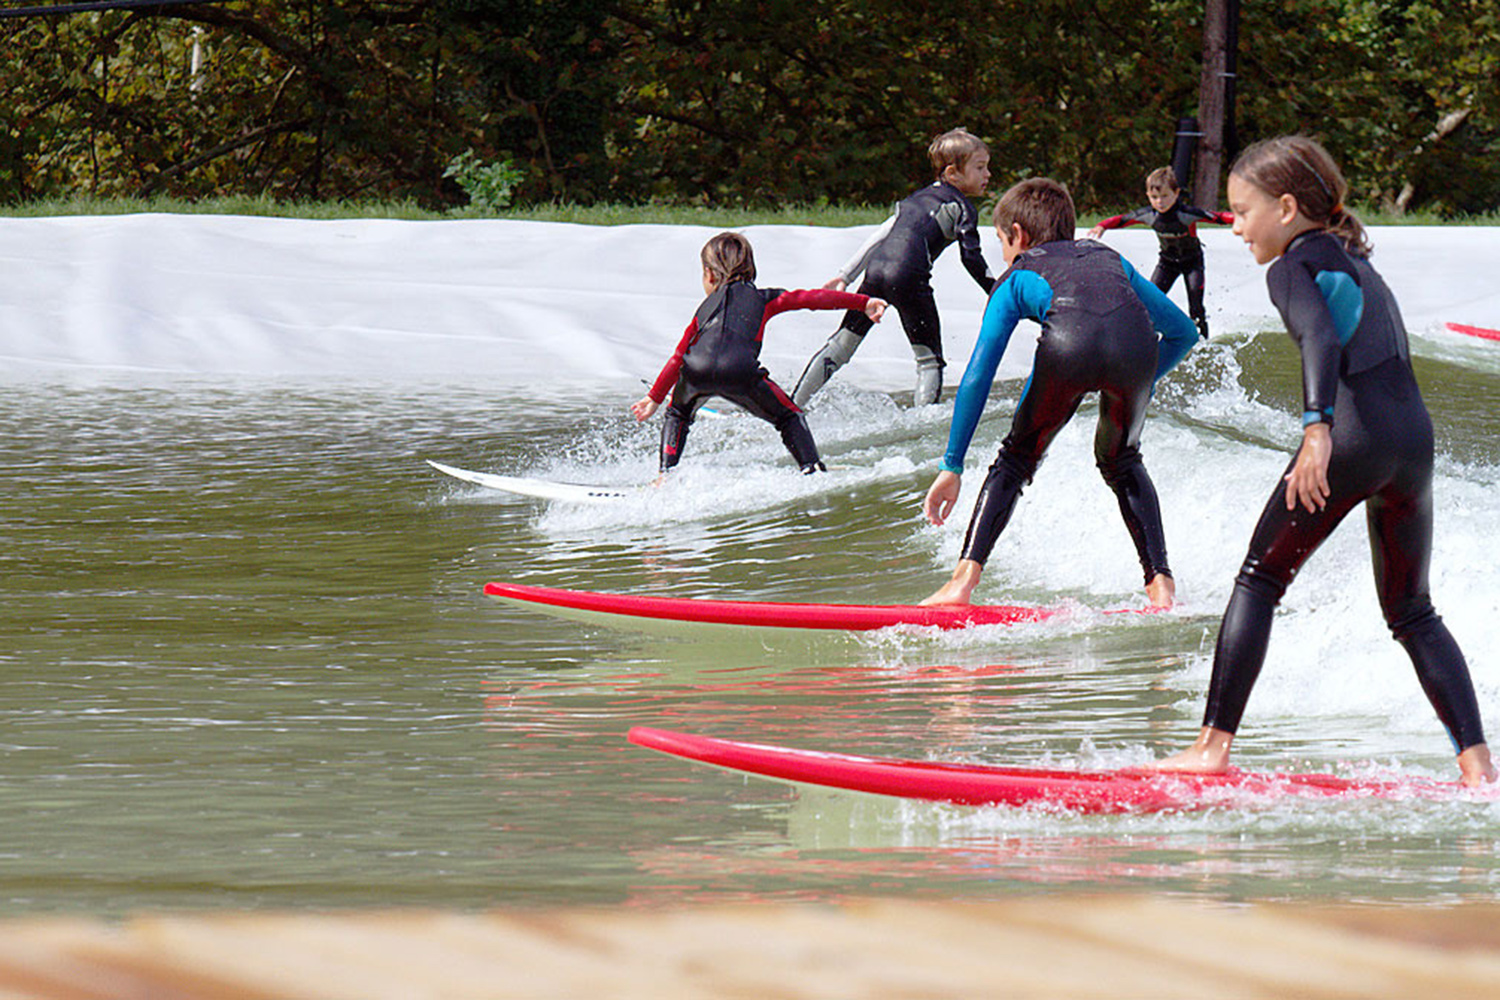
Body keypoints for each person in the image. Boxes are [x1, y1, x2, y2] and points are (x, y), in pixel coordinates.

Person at [1154, 136, 1494, 786]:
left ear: (1285, 208)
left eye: (1241, 211)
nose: (1235, 227)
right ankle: (1479, 768)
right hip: (1412, 444)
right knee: (1412, 609)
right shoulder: (1358, 260)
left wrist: (1317, 429)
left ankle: (1210, 749)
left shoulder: (1290, 265)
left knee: (1259, 578)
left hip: (1355, 436)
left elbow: (1318, 334)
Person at [921, 177, 1197, 609]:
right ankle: (1161, 585)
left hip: (1066, 349)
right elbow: (1182, 332)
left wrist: (952, 464)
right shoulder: (1108, 256)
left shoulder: (1017, 275)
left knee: (1014, 461)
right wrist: (1139, 383)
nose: (1004, 253)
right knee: (1122, 461)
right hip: (1137, 349)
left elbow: (979, 373)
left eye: (1000, 241)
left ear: (1017, 235)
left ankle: (961, 583)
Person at [632, 232, 887, 475]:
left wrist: (655, 397)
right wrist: (863, 302)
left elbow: (678, 357)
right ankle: (811, 468)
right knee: (790, 416)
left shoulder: (702, 311)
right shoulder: (764, 298)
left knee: (677, 414)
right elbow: (812, 299)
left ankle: (665, 474)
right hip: (739, 372)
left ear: (709, 275)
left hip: (695, 370)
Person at [792, 128, 995, 408]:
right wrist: (995, 290)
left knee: (841, 346)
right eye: (980, 167)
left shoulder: (913, 200)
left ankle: (792, 406)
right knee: (929, 361)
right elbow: (971, 258)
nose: (988, 175)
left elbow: (881, 235)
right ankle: (923, 422)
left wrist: (846, 275)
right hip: (910, 279)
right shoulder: (962, 207)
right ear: (952, 174)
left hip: (875, 273)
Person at [1088, 166, 1233, 340]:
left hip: (1192, 263)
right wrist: (1102, 225)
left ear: (1176, 193)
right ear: (1148, 196)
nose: (1160, 202)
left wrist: (1242, 218)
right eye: (1154, 197)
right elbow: (1122, 220)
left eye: (1165, 196)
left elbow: (1218, 218)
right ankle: (1144, 338)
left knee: (1196, 307)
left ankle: (1202, 344)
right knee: (1148, 302)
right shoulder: (1149, 215)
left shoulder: (1186, 214)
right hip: (1167, 264)